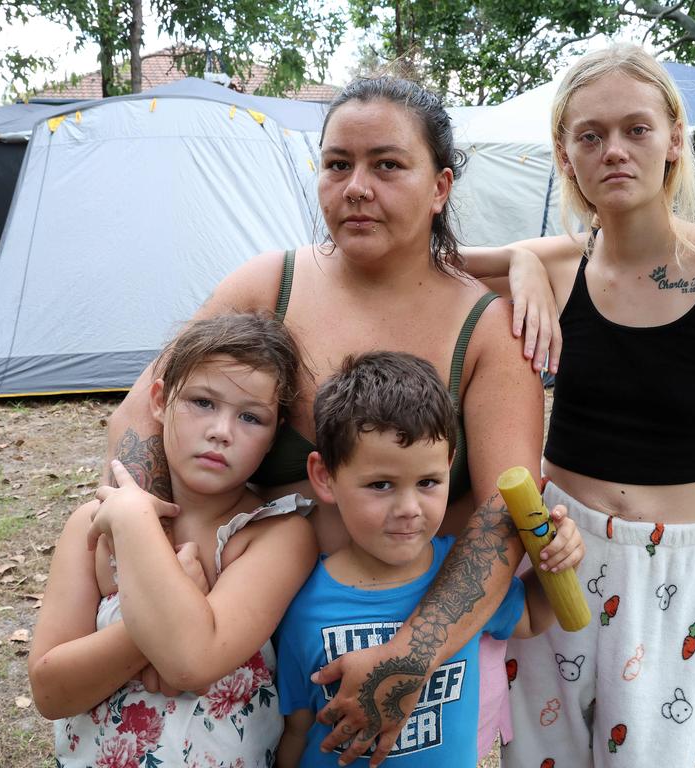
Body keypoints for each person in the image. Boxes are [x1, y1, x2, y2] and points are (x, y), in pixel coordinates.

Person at [105, 77, 574, 766]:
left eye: (387, 165)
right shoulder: (269, 285)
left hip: (420, 656)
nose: (356, 187)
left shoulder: (489, 333)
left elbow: (504, 516)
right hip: (248, 648)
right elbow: (141, 414)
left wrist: (406, 659)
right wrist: (160, 553)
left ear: (440, 186)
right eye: (337, 164)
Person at [462, 44, 695, 768]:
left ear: (675, 138)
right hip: (556, 552)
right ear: (566, 154)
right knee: (538, 757)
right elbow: (425, 261)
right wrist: (522, 258)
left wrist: (672, 497)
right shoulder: (558, 265)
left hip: (673, 572)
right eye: (590, 135)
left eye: (636, 128)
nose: (613, 150)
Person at [28, 313, 319, 768]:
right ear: (160, 400)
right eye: (203, 402)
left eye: (250, 417)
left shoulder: (276, 534)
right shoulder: (97, 526)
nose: (222, 430)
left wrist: (136, 528)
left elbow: (193, 660)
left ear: (274, 435)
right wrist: (139, 539)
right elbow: (50, 692)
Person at [274, 351, 582, 767]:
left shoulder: (465, 575)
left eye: (428, 482)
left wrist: (556, 560)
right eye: (381, 484)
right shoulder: (302, 603)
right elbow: (296, 728)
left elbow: (531, 615)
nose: (409, 507)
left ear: (449, 467)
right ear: (325, 476)